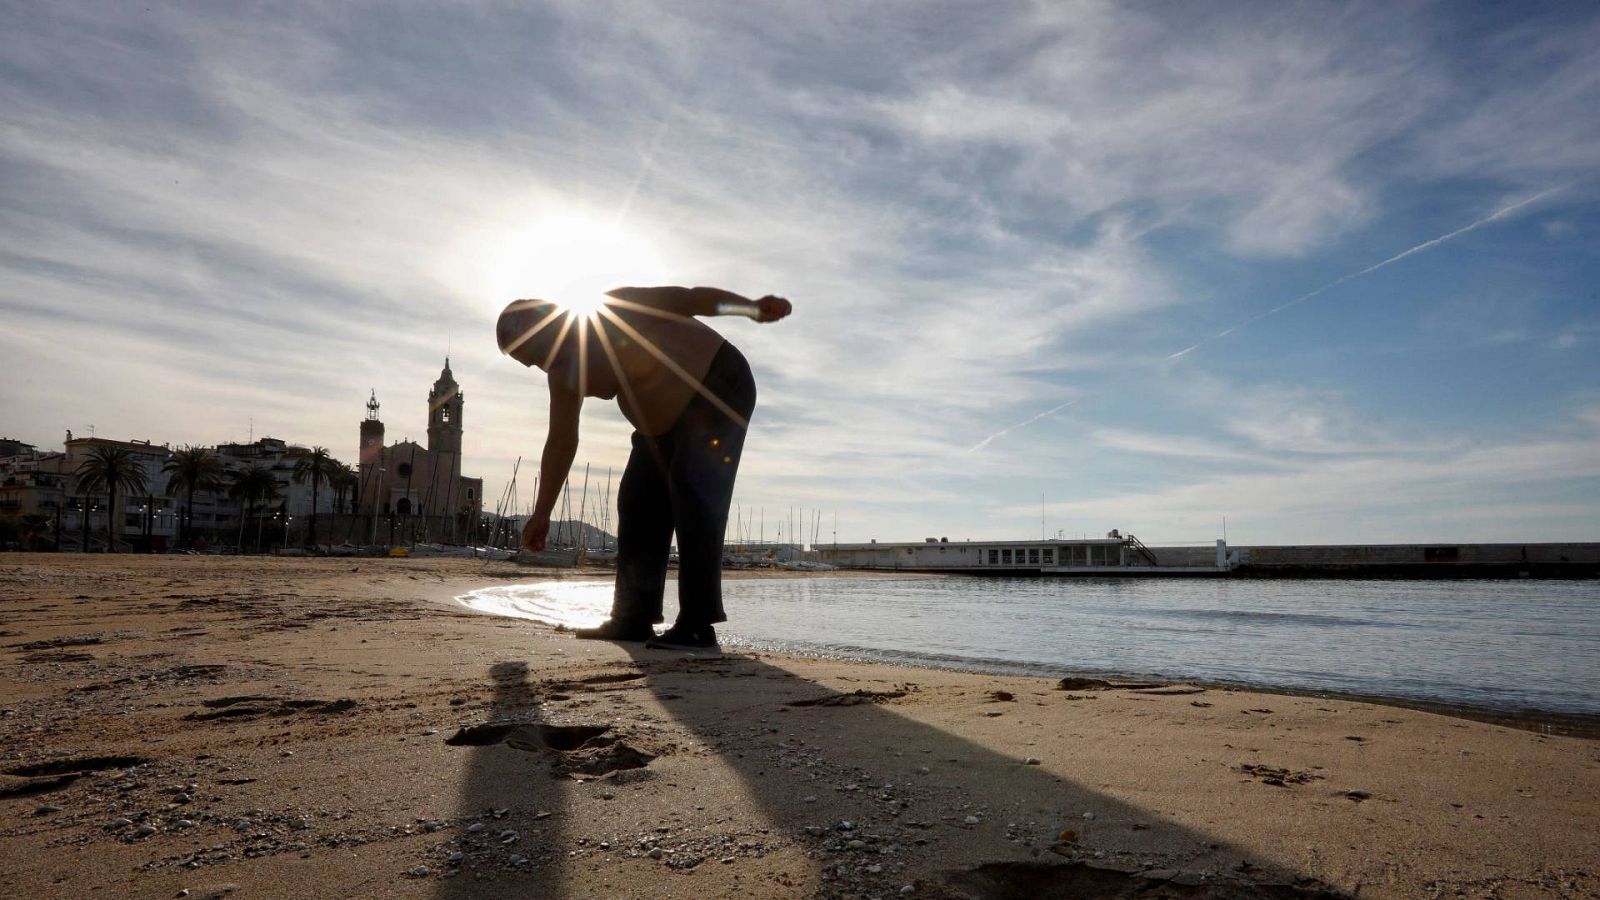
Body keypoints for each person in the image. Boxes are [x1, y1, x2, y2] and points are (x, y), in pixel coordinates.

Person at [496, 286, 792, 650]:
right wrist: (542, 512)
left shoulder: (617, 308)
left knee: (694, 491)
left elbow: (691, 299)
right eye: (528, 362)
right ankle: (633, 617)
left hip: (718, 385)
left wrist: (750, 308)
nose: (539, 365)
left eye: (535, 353)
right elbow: (560, 441)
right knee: (637, 502)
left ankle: (698, 624)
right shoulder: (561, 374)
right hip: (657, 429)